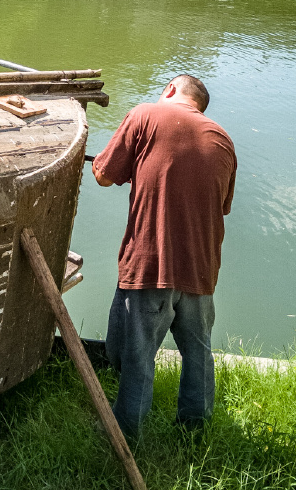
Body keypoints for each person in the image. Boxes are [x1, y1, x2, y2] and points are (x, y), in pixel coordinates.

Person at [92, 74, 237, 437]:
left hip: (151, 264)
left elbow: (104, 176)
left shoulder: (145, 115)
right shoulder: (224, 141)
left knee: (136, 357)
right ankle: (194, 430)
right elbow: (220, 205)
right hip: (201, 271)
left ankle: (125, 435)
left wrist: (119, 169)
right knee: (198, 354)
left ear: (170, 91)